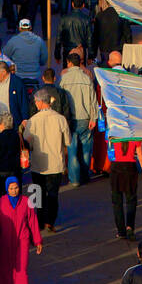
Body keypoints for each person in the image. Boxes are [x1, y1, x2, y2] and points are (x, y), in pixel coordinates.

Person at [0, 176, 43, 284]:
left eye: (16, 187)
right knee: (5, 271)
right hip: (5, 242)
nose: (14, 191)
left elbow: (32, 222)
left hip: (22, 241)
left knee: (21, 271)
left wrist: (37, 240)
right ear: (7, 189)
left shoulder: (26, 201)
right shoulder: (1, 203)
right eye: (11, 188)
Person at [21, 88, 70, 231]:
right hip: (56, 162)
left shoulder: (32, 121)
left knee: (38, 192)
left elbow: (26, 142)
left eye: (36, 101)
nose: (35, 104)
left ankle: (40, 220)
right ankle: (50, 221)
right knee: (53, 193)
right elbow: (67, 141)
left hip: (38, 163)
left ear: (42, 102)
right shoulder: (60, 119)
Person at [61, 51, 98, 185]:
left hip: (70, 119)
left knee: (72, 150)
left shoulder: (64, 79)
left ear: (69, 63)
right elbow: (93, 100)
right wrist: (94, 118)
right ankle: (85, 175)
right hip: (86, 118)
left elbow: (61, 100)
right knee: (86, 150)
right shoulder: (86, 78)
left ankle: (75, 179)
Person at [109, 136, 142, 242]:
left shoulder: (113, 135)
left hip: (116, 168)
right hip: (130, 168)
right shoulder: (134, 136)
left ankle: (121, 230)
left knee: (117, 201)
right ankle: (130, 227)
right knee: (131, 200)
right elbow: (140, 156)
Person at [3, 18, 45, 95]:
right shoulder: (39, 41)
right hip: (34, 76)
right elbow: (43, 60)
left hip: (19, 75)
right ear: (31, 28)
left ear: (19, 28)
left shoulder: (13, 41)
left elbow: (5, 55)